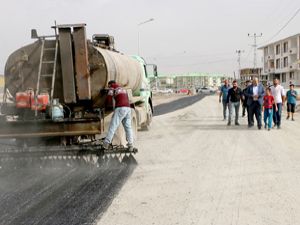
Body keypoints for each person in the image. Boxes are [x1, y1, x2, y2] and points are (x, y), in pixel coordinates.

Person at [102, 80, 134, 150]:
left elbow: (109, 98)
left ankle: (106, 143)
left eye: (108, 86)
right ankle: (130, 144)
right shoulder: (122, 89)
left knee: (113, 126)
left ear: (110, 84)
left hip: (120, 108)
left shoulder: (112, 88)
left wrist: (106, 106)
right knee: (128, 127)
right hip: (128, 108)